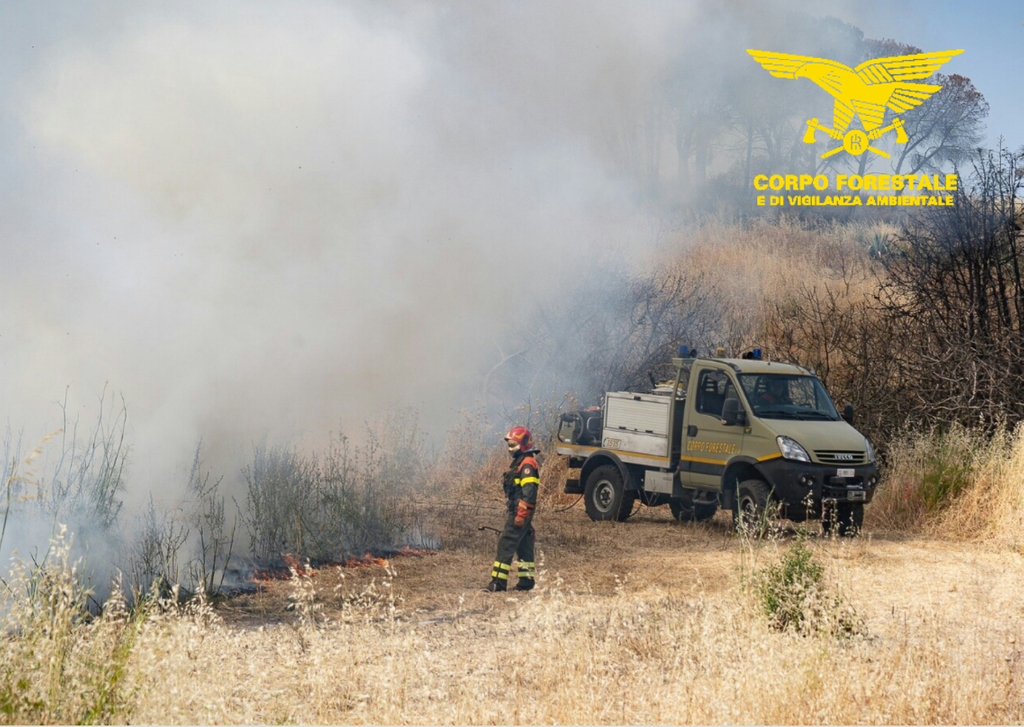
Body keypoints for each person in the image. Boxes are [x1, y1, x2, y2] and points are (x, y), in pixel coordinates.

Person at [485, 426, 540, 592]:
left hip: (520, 511)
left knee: (506, 543)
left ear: (523, 445)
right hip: (519, 510)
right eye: (509, 445)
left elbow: (529, 494)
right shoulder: (522, 462)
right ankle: (526, 581)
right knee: (524, 544)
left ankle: (498, 583)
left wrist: (521, 516)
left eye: (513, 445)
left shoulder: (527, 464)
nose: (510, 450)